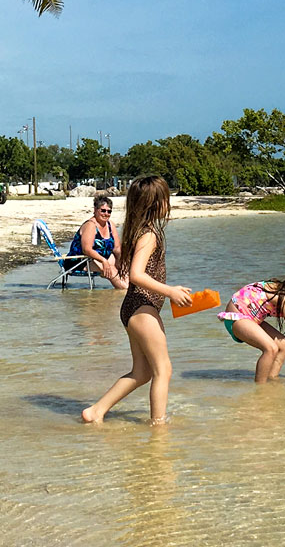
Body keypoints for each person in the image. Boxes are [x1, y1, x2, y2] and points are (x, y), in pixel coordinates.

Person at [83, 176, 196, 425]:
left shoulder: (138, 230)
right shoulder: (149, 234)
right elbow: (136, 275)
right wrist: (170, 291)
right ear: (155, 204)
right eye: (165, 199)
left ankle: (96, 411)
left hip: (134, 307)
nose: (168, 204)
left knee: (142, 372)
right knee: (163, 370)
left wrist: (168, 293)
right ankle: (158, 427)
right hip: (141, 307)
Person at [66, 193, 126, 289]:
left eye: (109, 211)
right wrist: (104, 261)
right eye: (103, 210)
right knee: (112, 271)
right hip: (82, 260)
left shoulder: (110, 225)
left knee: (126, 269)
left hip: (103, 258)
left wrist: (122, 262)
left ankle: (126, 293)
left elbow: (117, 248)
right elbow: (87, 250)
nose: (106, 214)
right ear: (95, 210)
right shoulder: (90, 225)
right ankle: (124, 291)